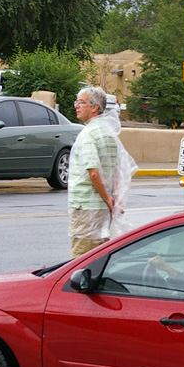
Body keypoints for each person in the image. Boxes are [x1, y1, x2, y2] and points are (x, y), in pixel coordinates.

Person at [69, 87, 137, 258]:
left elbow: (93, 172)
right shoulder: (108, 133)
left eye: (82, 102)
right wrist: (112, 199)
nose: (76, 106)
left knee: (80, 259)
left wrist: (107, 198)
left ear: (94, 107)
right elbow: (116, 171)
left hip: (86, 206)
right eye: (77, 102)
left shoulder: (88, 134)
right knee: (99, 255)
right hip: (103, 208)